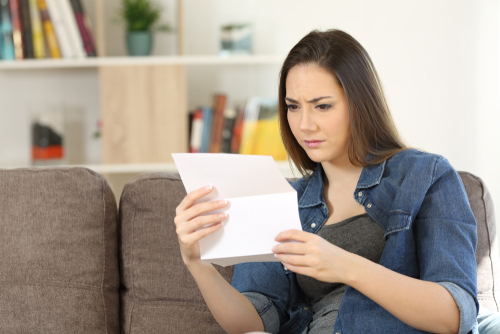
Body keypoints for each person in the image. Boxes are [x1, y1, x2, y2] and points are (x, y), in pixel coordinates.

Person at [174, 29, 497, 334]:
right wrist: (197, 264)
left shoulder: (426, 177)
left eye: (322, 106)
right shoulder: (282, 199)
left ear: (360, 104)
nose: (304, 125)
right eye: (293, 107)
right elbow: (254, 322)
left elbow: (455, 313)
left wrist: (345, 266)